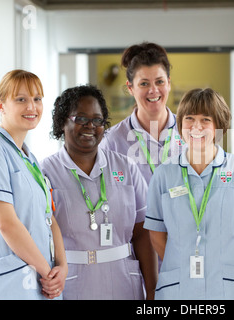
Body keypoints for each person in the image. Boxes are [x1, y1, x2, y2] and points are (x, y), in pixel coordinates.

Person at [144, 88, 234, 300]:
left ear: (219, 125)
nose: (196, 127)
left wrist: (230, 269)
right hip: (178, 290)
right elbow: (156, 233)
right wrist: (182, 263)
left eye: (205, 119)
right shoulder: (164, 174)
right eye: (189, 119)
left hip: (230, 291)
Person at [40, 84, 157, 299]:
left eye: (97, 120)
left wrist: (152, 290)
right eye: (81, 119)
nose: (90, 126)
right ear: (62, 122)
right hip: (74, 285)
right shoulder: (45, 172)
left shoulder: (126, 167)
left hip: (124, 283)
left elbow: (143, 232)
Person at [0, 69, 67, 300]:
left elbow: (48, 217)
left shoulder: (29, 158)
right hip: (12, 285)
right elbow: (7, 224)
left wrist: (62, 266)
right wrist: (47, 273)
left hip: (41, 282)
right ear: (1, 105)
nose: (31, 107)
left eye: (37, 99)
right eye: (21, 99)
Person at [99, 42, 184, 185]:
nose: (153, 90)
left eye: (160, 82)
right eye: (144, 83)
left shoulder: (189, 132)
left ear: (169, 84)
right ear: (130, 88)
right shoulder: (112, 141)